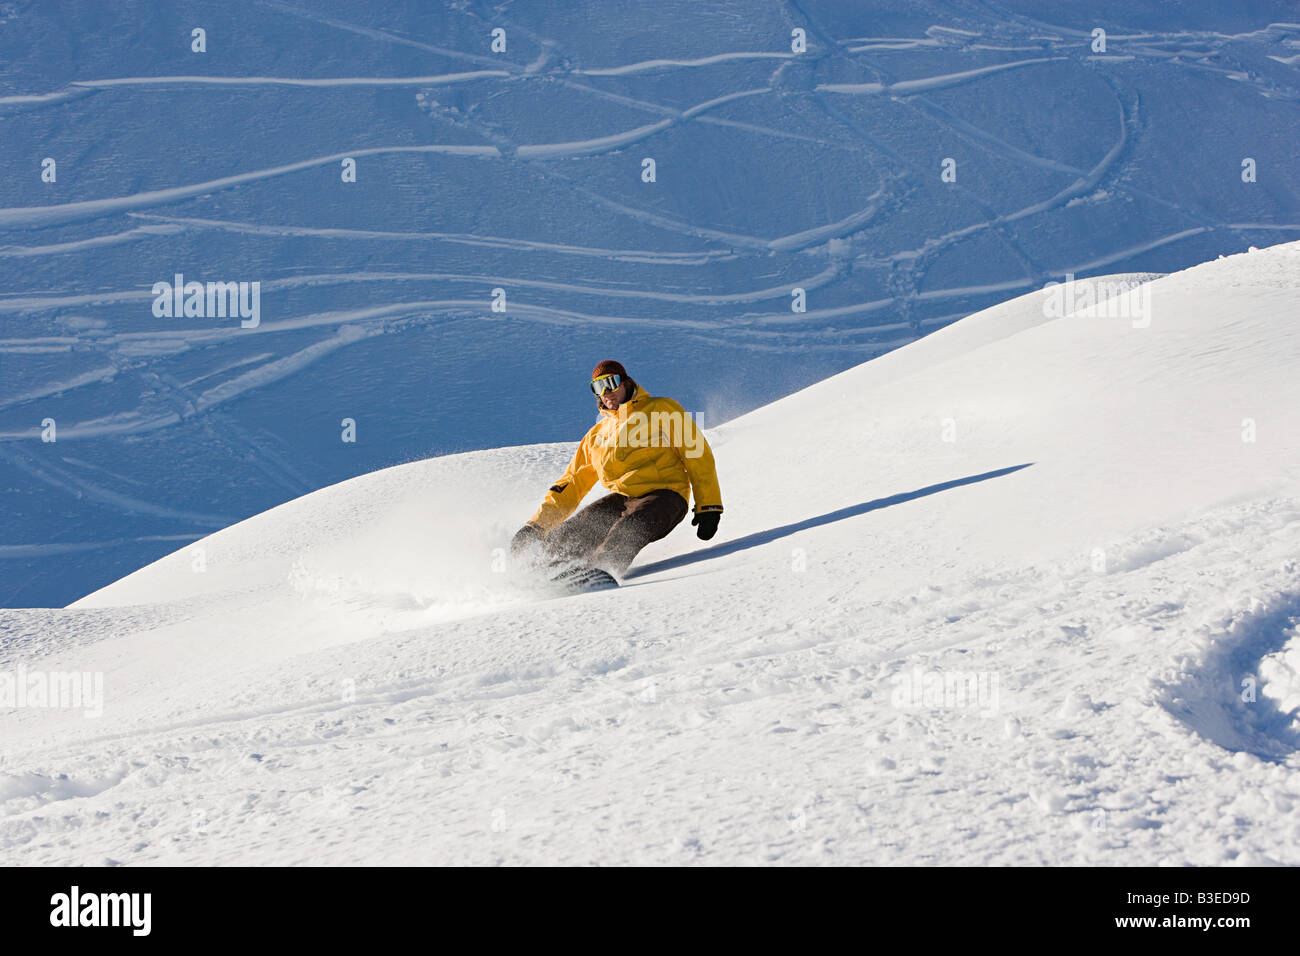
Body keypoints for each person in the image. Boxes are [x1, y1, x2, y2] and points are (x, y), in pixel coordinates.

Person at [510, 360, 723, 579]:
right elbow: (572, 482)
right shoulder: (597, 434)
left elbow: (697, 455)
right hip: (622, 499)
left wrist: (709, 505)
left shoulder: (661, 409)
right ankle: (538, 577)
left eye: (610, 382)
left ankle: (597, 575)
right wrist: (536, 526)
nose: (606, 392)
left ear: (626, 383)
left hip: (665, 496)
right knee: (565, 537)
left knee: (627, 531)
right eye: (598, 387)